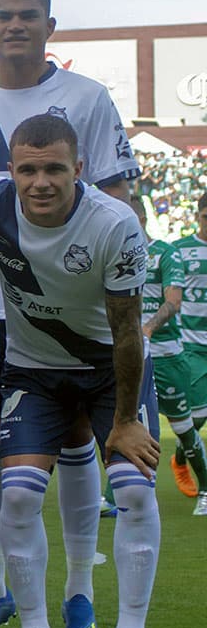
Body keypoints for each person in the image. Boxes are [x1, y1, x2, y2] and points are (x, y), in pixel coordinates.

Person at [0, 0, 140, 628]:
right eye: (3, 16)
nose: (14, 25)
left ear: (51, 26)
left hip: (74, 313)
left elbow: (115, 197)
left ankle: (79, 596)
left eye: (27, 15)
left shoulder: (88, 98)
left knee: (77, 441)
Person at [0, 113, 160, 628]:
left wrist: (123, 422)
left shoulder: (114, 223)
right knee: (18, 497)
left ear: (79, 169)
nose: (40, 182)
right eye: (28, 170)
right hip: (33, 372)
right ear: (11, 171)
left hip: (110, 370)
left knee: (135, 492)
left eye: (53, 169)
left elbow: (125, 332)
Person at [130, 196, 206, 514]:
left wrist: (147, 328)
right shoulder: (114, 254)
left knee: (187, 423)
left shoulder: (163, 252)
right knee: (128, 422)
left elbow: (172, 301)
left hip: (168, 351)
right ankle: (112, 496)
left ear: (143, 219)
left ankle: (200, 481)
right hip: (149, 352)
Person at [171, 195, 207, 502]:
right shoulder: (180, 250)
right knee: (196, 417)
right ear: (199, 215)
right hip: (193, 346)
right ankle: (181, 459)